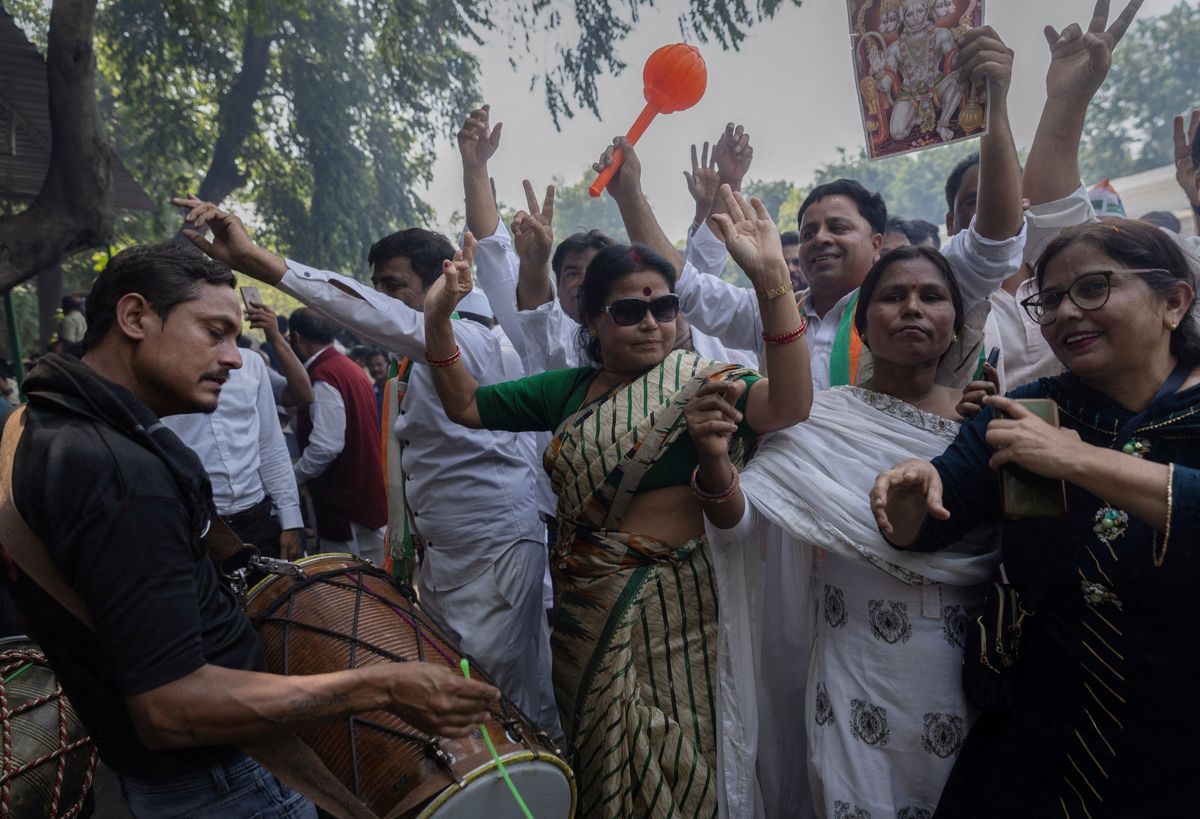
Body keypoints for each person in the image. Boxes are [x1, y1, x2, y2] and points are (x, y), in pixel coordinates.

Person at [0, 243, 498, 819]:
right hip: (222, 785)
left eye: (236, 337)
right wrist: (382, 687)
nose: (235, 360)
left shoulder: (46, 422)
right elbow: (169, 706)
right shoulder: (120, 476)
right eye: (215, 332)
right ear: (135, 317)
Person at [424, 184, 812, 818]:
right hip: (586, 614)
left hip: (678, 616)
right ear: (593, 319)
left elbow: (791, 404)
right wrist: (438, 319)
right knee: (602, 758)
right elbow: (465, 405)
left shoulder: (706, 383)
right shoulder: (568, 390)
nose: (652, 323)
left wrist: (771, 282)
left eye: (665, 307)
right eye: (628, 311)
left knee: (684, 760)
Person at [173, 196, 562, 740]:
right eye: (375, 285)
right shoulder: (436, 345)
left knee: (492, 700)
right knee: (490, 691)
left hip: (490, 551)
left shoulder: (464, 339)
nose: (381, 300)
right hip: (461, 553)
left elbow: (364, 311)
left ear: (441, 282)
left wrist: (257, 260)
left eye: (393, 285)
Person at [872, 219, 1200, 815]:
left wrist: (1081, 460)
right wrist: (912, 489)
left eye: (1093, 288)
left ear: (1174, 301)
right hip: (1043, 730)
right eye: (1049, 300)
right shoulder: (1031, 411)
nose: (1066, 313)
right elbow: (926, 524)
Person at [692, 246, 998, 818]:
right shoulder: (821, 419)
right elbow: (743, 526)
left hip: (961, 666)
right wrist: (714, 463)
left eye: (932, 297)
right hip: (855, 666)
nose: (913, 309)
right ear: (861, 326)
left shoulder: (986, 422)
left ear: (955, 324)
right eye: (892, 297)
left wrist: (988, 433)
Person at [646, 28, 1024, 392]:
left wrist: (993, 104)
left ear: (877, 243)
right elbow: (687, 287)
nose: (820, 239)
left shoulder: (920, 293)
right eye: (809, 232)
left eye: (839, 227)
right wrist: (632, 194)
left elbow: (993, 241)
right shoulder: (773, 309)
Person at [162, 328, 307, 561]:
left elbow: (270, 445)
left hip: (258, 522)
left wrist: (290, 519)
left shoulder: (250, 364)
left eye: (234, 332)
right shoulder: (159, 369)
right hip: (196, 531)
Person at [287, 308, 388, 564]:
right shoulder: (349, 367)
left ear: (297, 338)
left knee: (350, 587)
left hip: (344, 502)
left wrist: (292, 476)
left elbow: (326, 446)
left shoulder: (323, 375)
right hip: (366, 493)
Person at [880, 0, 963, 143]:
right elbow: (885, 83)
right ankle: (915, 118)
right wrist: (879, 73)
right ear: (902, 18)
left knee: (961, 77)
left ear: (927, 11)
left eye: (920, 11)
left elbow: (954, 61)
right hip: (911, 95)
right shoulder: (894, 49)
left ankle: (942, 124)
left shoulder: (941, 35)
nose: (917, 18)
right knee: (897, 133)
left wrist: (963, 49)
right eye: (910, 14)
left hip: (937, 88)